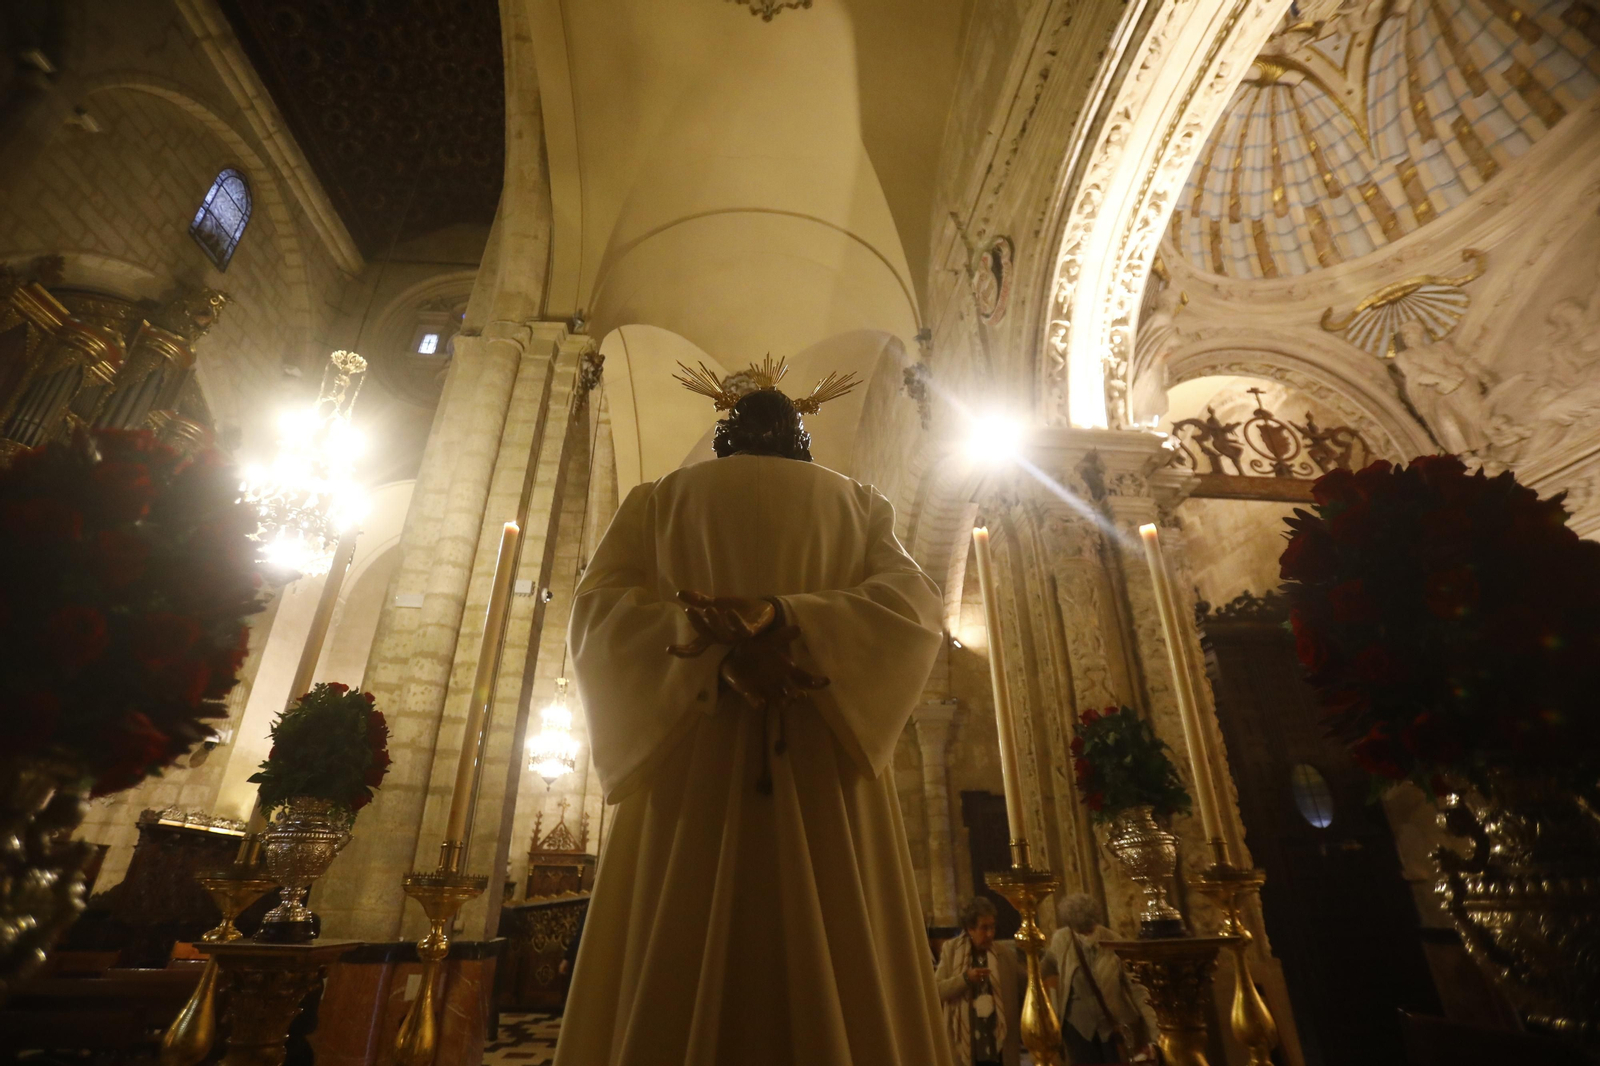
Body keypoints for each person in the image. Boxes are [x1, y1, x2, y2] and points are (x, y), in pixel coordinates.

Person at [554, 358, 953, 1066]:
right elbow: (915, 609)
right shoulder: (859, 505)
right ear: (801, 439)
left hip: (690, 767)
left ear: (724, 437)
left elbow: (596, 616)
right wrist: (792, 622)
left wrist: (707, 648)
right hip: (825, 768)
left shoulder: (658, 501)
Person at [1042, 893, 1157, 1065]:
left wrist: (1156, 1033)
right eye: (1080, 931)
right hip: (1078, 1028)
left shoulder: (1114, 942)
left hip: (1113, 1027)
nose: (1086, 935)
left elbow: (1137, 989)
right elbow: (1046, 966)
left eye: (1089, 930)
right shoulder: (1062, 939)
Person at [934, 897, 1022, 1066]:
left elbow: (1025, 984)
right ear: (970, 929)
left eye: (992, 927)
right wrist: (966, 979)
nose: (990, 934)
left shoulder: (1004, 954)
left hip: (999, 1044)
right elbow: (937, 990)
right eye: (984, 928)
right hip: (967, 1043)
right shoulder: (951, 951)